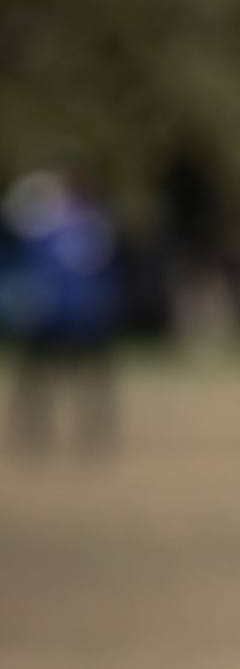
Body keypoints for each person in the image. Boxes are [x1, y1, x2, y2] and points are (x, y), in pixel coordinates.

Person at [4, 169, 121, 455]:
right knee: (79, 377)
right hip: (78, 313)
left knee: (42, 377)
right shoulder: (94, 224)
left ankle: (40, 433)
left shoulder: (46, 226)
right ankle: (86, 433)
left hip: (55, 313)